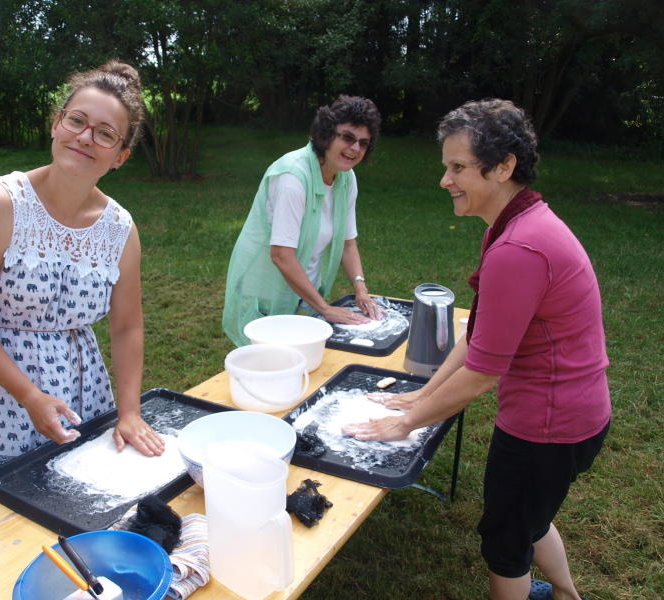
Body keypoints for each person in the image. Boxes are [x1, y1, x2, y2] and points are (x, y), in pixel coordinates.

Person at [343, 99, 611, 600]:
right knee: (529, 520)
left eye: (458, 167)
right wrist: (421, 396)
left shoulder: (519, 247)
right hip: (576, 416)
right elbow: (479, 334)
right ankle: (569, 596)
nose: (445, 180)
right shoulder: (514, 225)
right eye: (447, 166)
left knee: (505, 541)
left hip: (548, 427)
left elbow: (484, 373)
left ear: (504, 166)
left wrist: (406, 421)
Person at [0, 60, 165, 505]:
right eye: (77, 120)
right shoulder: (0, 203)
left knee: (79, 508)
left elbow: (127, 327)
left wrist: (130, 411)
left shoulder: (120, 229)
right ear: (56, 124)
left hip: (85, 391)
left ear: (120, 156)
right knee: (3, 526)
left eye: (105, 133)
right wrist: (29, 395)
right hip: (1, 395)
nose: (85, 137)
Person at [222, 95, 384, 346]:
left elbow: (348, 243)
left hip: (303, 293)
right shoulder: (292, 177)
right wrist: (325, 309)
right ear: (327, 134)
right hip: (266, 292)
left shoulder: (346, 179)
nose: (355, 149)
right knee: (271, 366)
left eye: (363, 143)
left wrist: (361, 290)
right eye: (348, 137)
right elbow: (281, 255)